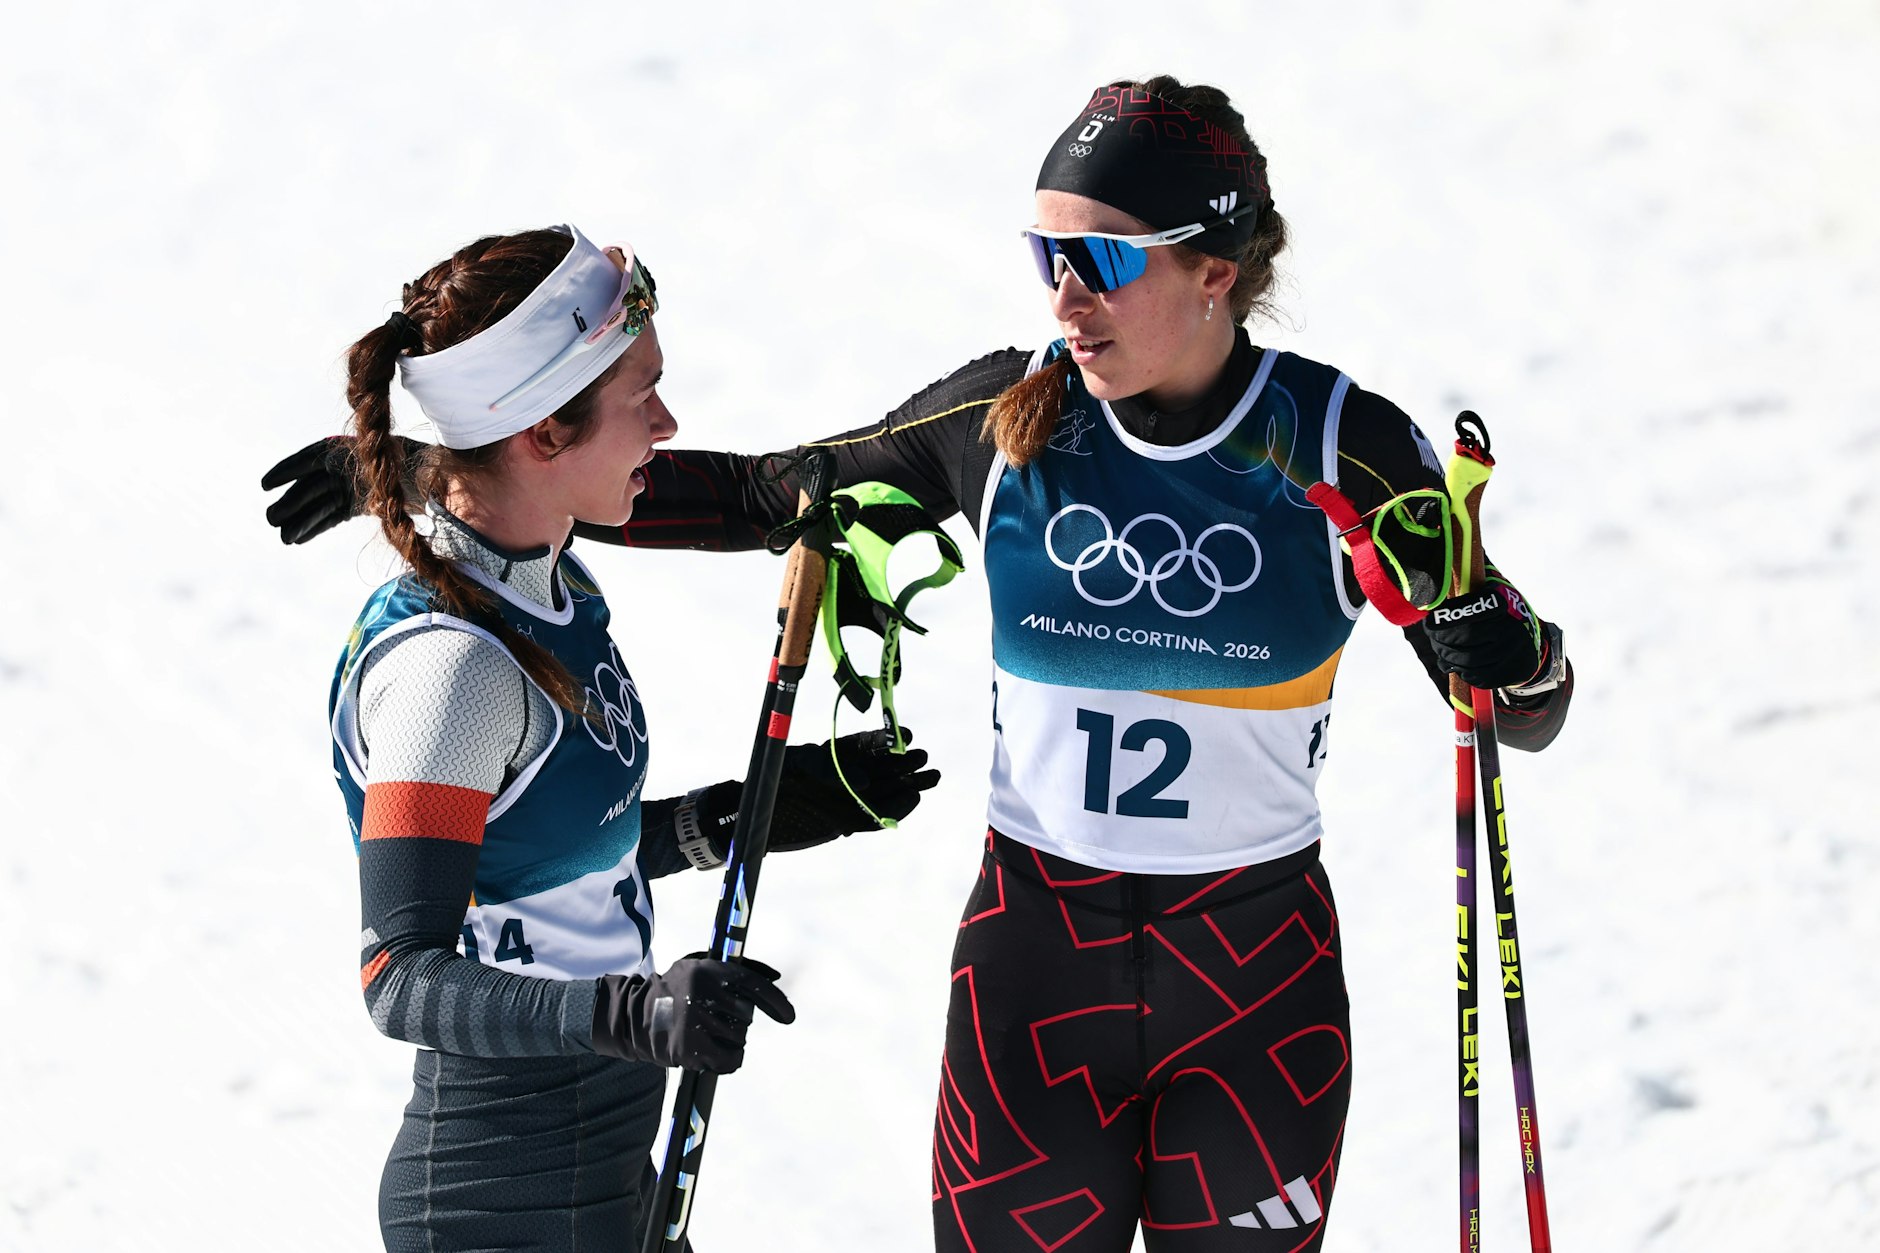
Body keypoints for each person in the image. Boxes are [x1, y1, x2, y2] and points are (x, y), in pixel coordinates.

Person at [266, 79, 1572, 1252]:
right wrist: (433, 459)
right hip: (1037, 965)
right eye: (1046, 254)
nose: (1064, 292)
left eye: (1101, 257)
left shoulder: (1344, 446)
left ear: (1215, 268)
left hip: (1251, 976)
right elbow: (762, 497)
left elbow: (1520, 703)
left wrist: (1503, 651)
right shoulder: (1005, 417)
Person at [305, 223, 939, 1253]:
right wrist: (635, 1012)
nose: (666, 422)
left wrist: (741, 817)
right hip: (493, 1203)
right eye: (639, 394)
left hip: (611, 1177)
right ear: (544, 429)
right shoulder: (448, 667)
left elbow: (550, 871)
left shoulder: (555, 589)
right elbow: (401, 976)